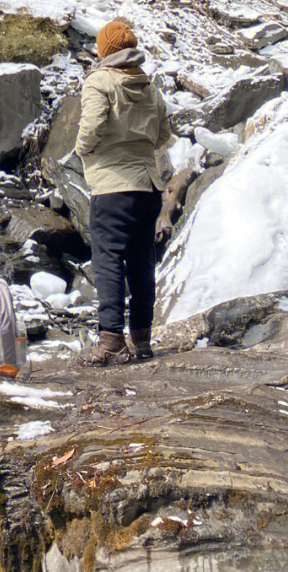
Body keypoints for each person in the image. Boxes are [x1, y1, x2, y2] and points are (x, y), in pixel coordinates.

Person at [74, 18, 171, 365]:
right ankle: (142, 340)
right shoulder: (148, 85)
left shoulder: (99, 82)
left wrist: (83, 150)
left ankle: (111, 339)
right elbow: (163, 133)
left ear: (104, 52)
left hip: (112, 187)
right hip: (148, 187)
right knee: (142, 262)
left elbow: (92, 127)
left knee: (108, 260)